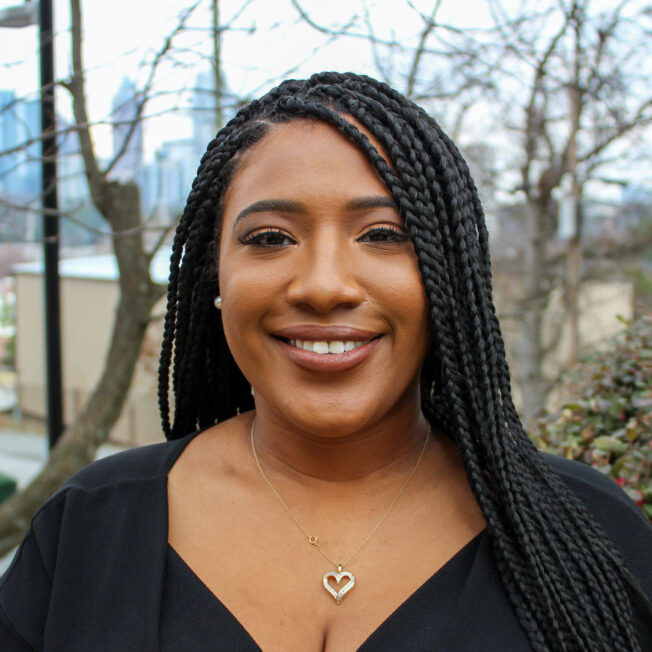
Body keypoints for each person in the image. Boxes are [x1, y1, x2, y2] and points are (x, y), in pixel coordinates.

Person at [1, 72, 650, 651]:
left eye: (382, 235)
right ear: (213, 275)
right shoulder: (89, 531)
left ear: (445, 277)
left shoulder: (593, 534)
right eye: (270, 238)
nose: (324, 285)